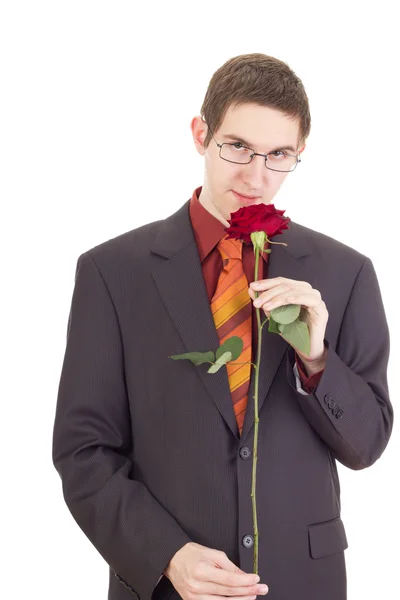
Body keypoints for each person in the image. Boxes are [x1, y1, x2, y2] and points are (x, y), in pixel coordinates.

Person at [52, 53, 393, 600]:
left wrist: (317, 358)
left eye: (279, 154)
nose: (257, 176)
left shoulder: (345, 273)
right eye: (237, 147)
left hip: (305, 582)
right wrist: (165, 554)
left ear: (299, 152)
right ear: (200, 134)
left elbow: (367, 443)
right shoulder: (111, 272)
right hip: (165, 588)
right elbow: (83, 450)